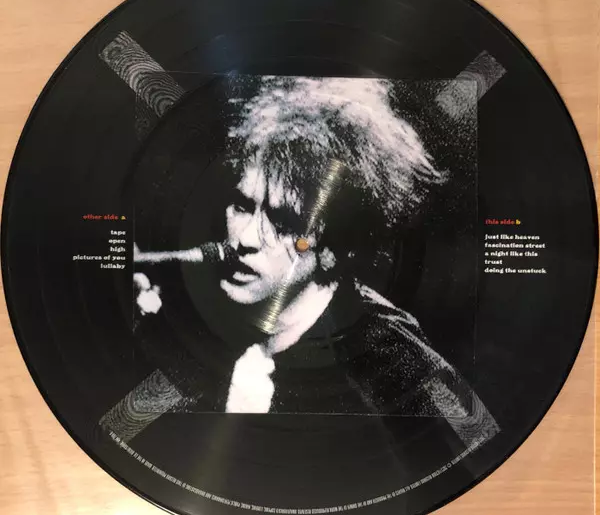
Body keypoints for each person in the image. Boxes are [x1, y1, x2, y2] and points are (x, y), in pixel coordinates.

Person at [128, 75, 497, 447]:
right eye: (241, 206)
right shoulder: (197, 312)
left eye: (284, 223)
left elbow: (469, 454)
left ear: (337, 243)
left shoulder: (394, 358)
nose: (245, 239)